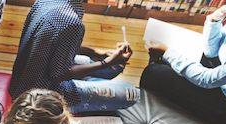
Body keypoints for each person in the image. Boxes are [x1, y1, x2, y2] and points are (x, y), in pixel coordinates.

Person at [8, 0, 139, 114]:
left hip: (21, 81)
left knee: (114, 67)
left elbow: (56, 42)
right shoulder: (72, 22)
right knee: (131, 94)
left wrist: (97, 52)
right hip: (41, 96)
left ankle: (93, 80)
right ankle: (90, 83)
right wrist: (106, 62)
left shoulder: (45, 1)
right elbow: (59, 75)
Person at [142, 0, 226, 124]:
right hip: (225, 79)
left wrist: (167, 52)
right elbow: (211, 52)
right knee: (162, 63)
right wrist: (215, 18)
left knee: (153, 73)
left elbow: (207, 79)